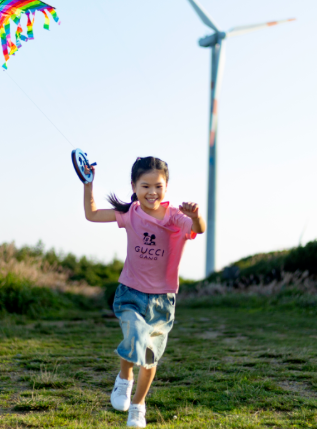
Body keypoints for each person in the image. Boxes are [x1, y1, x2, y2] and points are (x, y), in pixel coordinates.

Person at [82, 156, 206, 428]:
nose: (152, 192)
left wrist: (196, 215)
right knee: (135, 335)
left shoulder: (176, 217)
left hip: (163, 299)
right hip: (131, 292)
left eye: (158, 186)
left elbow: (199, 229)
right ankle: (124, 378)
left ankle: (138, 405)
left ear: (166, 187)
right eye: (145, 186)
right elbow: (92, 214)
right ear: (134, 186)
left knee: (150, 356)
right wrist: (88, 184)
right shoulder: (131, 213)